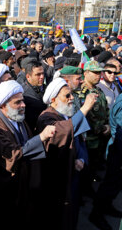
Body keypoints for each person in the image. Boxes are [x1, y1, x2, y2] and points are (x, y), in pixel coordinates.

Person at [0, 80, 56, 229]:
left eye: (22, 101)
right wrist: (41, 137)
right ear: (3, 106)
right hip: (10, 191)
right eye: (17, 103)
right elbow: (13, 154)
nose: (23, 105)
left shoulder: (19, 119)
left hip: (27, 186)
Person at [36, 77, 96, 230]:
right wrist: (85, 109)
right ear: (54, 99)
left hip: (73, 174)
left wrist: (81, 158)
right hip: (58, 179)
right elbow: (62, 130)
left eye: (71, 95)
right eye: (67, 96)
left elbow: (80, 140)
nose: (71, 99)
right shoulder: (46, 117)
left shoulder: (66, 113)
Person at [90, 93, 122, 230]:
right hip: (118, 151)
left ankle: (106, 206)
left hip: (118, 149)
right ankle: (96, 214)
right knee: (111, 183)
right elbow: (121, 134)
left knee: (116, 184)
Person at [76, 61, 109, 184]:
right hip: (90, 138)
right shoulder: (82, 93)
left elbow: (105, 109)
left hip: (101, 135)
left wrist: (108, 125)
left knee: (95, 163)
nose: (98, 75)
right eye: (95, 72)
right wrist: (102, 128)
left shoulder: (98, 90)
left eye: (99, 72)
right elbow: (86, 116)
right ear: (86, 73)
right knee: (87, 166)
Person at [22, 60, 47, 132]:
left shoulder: (45, 87)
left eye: (43, 73)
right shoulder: (24, 94)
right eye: (38, 74)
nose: (42, 77)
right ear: (28, 77)